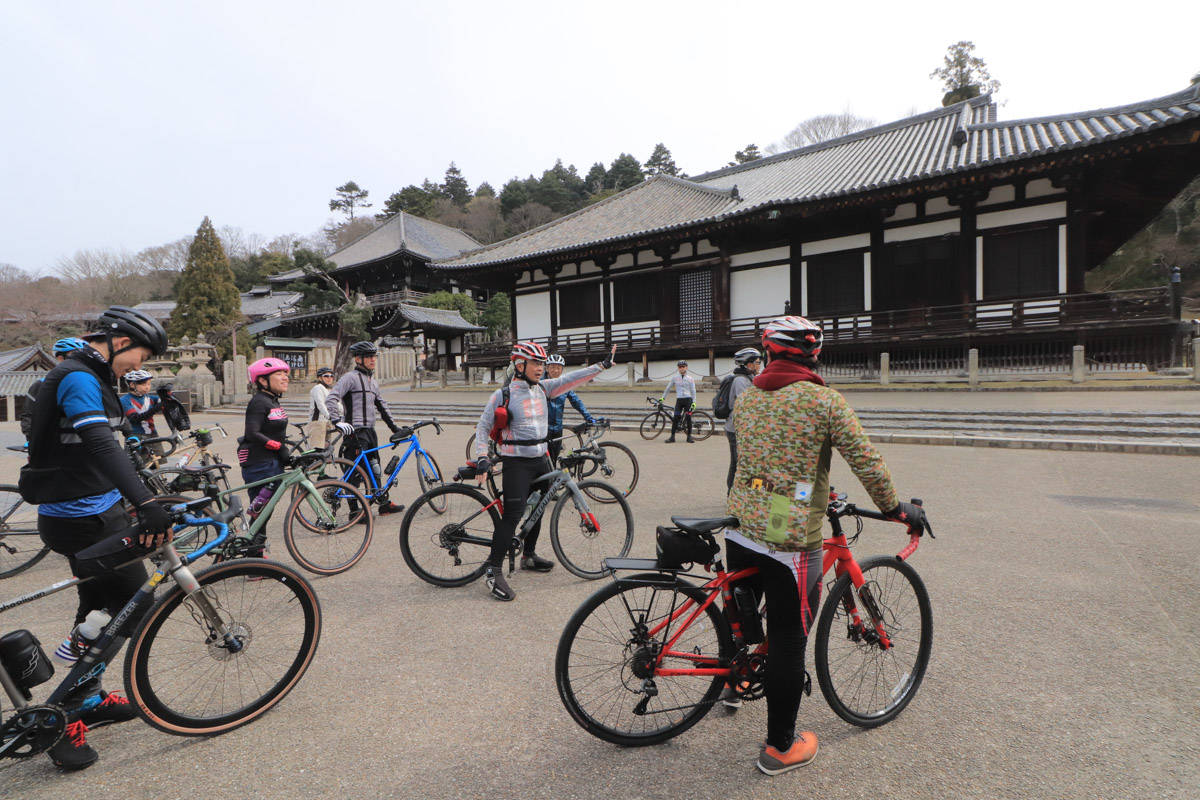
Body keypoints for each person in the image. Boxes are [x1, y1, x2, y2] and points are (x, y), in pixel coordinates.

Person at [724, 315, 931, 776]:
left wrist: (817, 491)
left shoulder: (750, 395)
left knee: (741, 615)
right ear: (815, 353)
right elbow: (867, 462)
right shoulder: (824, 401)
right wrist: (897, 508)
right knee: (788, 640)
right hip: (790, 540)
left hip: (742, 523)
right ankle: (780, 747)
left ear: (769, 349)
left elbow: (767, 460)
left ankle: (732, 683)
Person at [20, 307, 173, 771]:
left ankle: (87, 695)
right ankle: (63, 714)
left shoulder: (91, 375)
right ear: (121, 342)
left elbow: (116, 442)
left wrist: (141, 493)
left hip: (92, 510)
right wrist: (145, 505)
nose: (138, 367)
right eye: (141, 355)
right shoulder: (78, 377)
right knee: (138, 604)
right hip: (82, 517)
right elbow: (100, 445)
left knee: (97, 601)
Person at [473, 341, 616, 601]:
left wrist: (601, 366)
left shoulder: (543, 389)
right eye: (536, 363)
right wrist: (482, 456)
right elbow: (482, 427)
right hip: (516, 463)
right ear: (520, 365)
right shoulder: (502, 394)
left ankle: (528, 555)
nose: (541, 368)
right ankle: (493, 572)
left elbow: (572, 378)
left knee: (540, 505)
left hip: (542, 459)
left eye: (542, 363)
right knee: (514, 514)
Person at [326, 341, 404, 517]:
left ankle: (383, 503)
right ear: (358, 359)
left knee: (374, 468)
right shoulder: (350, 378)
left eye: (374, 356)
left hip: (370, 432)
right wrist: (337, 421)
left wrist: (394, 428)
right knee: (355, 472)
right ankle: (355, 511)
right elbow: (331, 399)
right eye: (369, 356)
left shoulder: (372, 382)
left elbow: (382, 407)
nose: (373, 359)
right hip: (354, 433)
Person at [236, 358, 291, 547]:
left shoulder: (272, 401)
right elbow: (252, 433)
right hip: (260, 464)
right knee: (261, 512)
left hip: (271, 463)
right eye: (279, 374)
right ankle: (252, 556)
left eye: (286, 374)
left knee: (263, 512)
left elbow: (271, 429)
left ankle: (254, 553)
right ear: (262, 380)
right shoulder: (259, 402)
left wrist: (283, 448)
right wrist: (279, 447)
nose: (285, 378)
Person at [19, 338, 89, 441]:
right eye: (76, 355)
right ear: (60, 358)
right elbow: (29, 416)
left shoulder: (91, 383)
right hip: (52, 445)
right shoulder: (41, 385)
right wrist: (31, 440)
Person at [544, 354, 596, 465]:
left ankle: (552, 481)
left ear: (562, 370)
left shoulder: (564, 384)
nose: (555, 371)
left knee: (554, 458)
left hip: (557, 427)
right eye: (552, 367)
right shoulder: (540, 383)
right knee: (544, 460)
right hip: (542, 428)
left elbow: (576, 401)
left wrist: (588, 417)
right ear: (547, 368)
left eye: (558, 368)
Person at [724, 348, 763, 493]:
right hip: (736, 429)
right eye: (757, 362)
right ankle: (733, 494)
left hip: (739, 427)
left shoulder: (748, 378)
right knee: (739, 463)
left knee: (736, 462)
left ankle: (733, 492)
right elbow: (744, 406)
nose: (760, 365)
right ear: (749, 365)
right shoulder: (740, 380)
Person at [120, 369, 165, 456]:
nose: (147, 387)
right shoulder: (125, 400)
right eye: (143, 384)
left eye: (149, 384)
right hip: (137, 435)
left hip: (153, 434)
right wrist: (156, 408)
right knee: (139, 465)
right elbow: (135, 418)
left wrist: (167, 396)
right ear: (132, 385)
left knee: (157, 463)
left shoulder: (149, 398)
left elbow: (163, 401)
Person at [662, 359, 697, 443]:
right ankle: (672, 437)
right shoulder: (675, 378)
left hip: (688, 400)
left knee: (688, 418)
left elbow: (693, 390)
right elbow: (668, 388)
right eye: (680, 367)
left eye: (683, 367)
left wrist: (694, 402)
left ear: (686, 368)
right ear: (678, 368)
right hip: (679, 400)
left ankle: (689, 437)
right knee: (675, 418)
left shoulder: (690, 378)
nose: (682, 368)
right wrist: (663, 398)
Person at [306, 366, 339, 449]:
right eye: (326, 376)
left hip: (327, 422)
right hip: (317, 422)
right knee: (318, 449)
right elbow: (320, 405)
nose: (329, 378)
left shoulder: (329, 390)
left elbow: (336, 405)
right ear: (320, 378)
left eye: (331, 376)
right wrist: (329, 416)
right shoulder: (318, 388)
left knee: (326, 449)